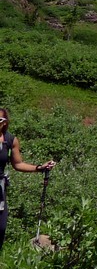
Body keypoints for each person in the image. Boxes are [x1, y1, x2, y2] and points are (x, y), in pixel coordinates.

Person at [0, 108, 56, 252]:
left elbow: (18, 163)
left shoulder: (10, 140)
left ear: (4, 123)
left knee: (1, 227)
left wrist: (39, 167)